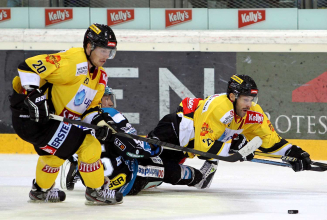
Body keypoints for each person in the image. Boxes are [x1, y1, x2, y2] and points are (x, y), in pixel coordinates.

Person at [9, 23, 123, 205]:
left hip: (48, 121)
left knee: (55, 155)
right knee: (89, 146)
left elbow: (90, 109)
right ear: (88, 46)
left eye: (110, 51)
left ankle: (40, 191)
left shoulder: (101, 77)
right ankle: (96, 190)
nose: (106, 56)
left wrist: (100, 125)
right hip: (30, 117)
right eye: (102, 50)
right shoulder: (73, 61)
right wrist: (33, 94)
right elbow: (27, 66)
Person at [147, 74, 312, 189]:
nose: (249, 104)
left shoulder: (252, 112)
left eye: (251, 99)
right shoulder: (219, 108)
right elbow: (202, 147)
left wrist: (293, 152)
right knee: (144, 159)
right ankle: (203, 171)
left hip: (186, 149)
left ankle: (199, 177)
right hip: (175, 131)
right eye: (245, 99)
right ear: (233, 97)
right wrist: (235, 146)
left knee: (156, 173)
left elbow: (270, 140)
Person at [62, 86, 207, 195]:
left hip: (96, 185)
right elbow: (135, 149)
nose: (110, 103)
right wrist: (156, 147)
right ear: (97, 100)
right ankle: (199, 178)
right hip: (126, 181)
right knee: (162, 166)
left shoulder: (76, 121)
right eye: (106, 98)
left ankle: (78, 169)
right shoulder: (109, 114)